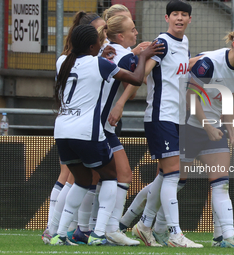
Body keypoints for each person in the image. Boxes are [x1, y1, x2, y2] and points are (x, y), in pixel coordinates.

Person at [48, 24, 162, 246]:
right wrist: (143, 56)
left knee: (81, 180)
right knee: (112, 175)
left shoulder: (62, 61)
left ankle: (59, 234)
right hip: (86, 131)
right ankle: (99, 233)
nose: (103, 44)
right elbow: (136, 79)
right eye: (100, 42)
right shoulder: (99, 63)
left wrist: (100, 55)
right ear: (92, 46)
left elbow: (84, 67)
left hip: (62, 131)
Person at [108, 0, 202, 248]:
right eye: (175, 14)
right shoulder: (162, 43)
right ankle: (174, 234)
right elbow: (140, 75)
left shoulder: (185, 44)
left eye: (184, 14)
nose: (180, 18)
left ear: (190, 20)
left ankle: (140, 223)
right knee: (173, 175)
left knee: (167, 175)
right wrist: (120, 104)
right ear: (166, 17)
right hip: (160, 116)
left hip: (177, 118)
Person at [182, 23, 234, 249]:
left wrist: (232, 133)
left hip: (213, 129)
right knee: (170, 183)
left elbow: (227, 99)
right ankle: (135, 223)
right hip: (187, 125)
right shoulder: (209, 63)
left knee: (221, 183)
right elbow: (190, 97)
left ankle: (225, 237)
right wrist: (206, 126)